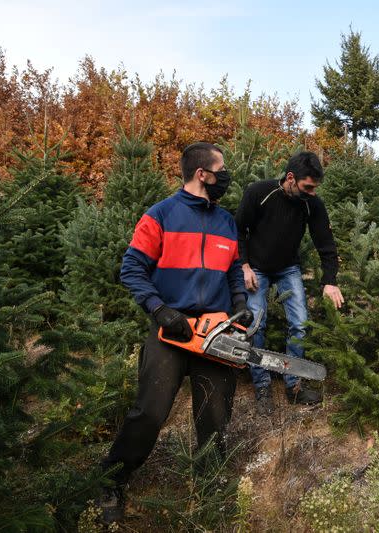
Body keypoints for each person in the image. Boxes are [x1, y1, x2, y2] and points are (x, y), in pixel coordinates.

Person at [97, 142, 252, 523]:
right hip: (171, 329)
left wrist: (239, 303)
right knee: (149, 413)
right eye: (222, 170)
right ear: (203, 174)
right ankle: (112, 479)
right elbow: (132, 269)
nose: (225, 177)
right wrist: (160, 309)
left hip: (215, 330)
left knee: (215, 413)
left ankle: (209, 482)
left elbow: (233, 267)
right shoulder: (160, 216)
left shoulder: (225, 221)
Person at [235, 151, 344, 414]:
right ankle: (261, 385)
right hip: (256, 268)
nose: (312, 193)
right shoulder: (259, 192)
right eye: (307, 187)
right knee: (255, 325)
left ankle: (293, 384)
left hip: (288, 268)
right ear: (291, 178)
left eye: (315, 188)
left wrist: (329, 282)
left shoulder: (312, 203)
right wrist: (244, 264)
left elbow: (325, 245)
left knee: (300, 324)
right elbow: (238, 229)